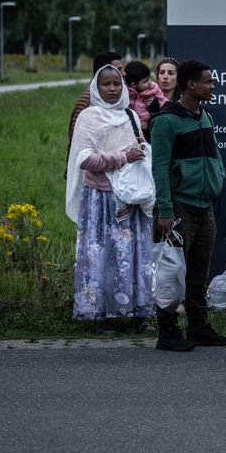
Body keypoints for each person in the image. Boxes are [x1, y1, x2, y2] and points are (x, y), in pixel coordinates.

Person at [65, 65, 157, 327]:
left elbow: (138, 144)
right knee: (104, 257)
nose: (112, 89)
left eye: (116, 84)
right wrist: (122, 157)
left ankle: (138, 313)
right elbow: (84, 159)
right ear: (96, 87)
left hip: (129, 198)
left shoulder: (130, 115)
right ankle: (103, 315)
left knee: (134, 255)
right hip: (101, 200)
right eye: (106, 84)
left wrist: (139, 150)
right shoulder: (89, 117)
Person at [150, 59, 226, 351]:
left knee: (199, 273)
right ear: (191, 84)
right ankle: (167, 331)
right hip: (179, 208)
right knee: (171, 272)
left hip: (205, 207)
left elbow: (215, 153)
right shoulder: (166, 120)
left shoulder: (204, 115)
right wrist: (165, 210)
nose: (212, 86)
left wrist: (219, 175)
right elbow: (158, 167)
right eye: (208, 82)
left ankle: (198, 327)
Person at [67, 50, 122, 173]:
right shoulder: (86, 100)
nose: (123, 73)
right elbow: (75, 140)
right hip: (90, 173)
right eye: (119, 69)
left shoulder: (117, 99)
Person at [123, 59, 168, 138]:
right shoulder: (126, 93)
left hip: (149, 127)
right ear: (133, 85)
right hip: (132, 128)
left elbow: (163, 101)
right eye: (145, 81)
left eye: (149, 79)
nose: (149, 82)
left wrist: (157, 105)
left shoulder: (153, 88)